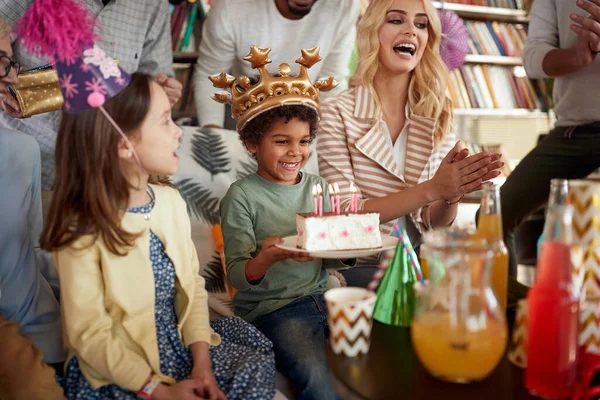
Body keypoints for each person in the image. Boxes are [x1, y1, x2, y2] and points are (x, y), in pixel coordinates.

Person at [40, 72, 276, 400]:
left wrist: (202, 366)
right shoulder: (81, 229)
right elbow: (89, 336)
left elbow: (192, 287)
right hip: (124, 371)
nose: (179, 131)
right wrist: (162, 392)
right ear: (124, 144)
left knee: (254, 363)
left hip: (180, 345)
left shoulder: (169, 202)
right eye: (166, 121)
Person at [316, 0, 502, 285]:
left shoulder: (437, 114)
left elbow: (432, 223)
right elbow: (346, 212)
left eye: (421, 24)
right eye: (396, 20)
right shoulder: (335, 113)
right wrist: (433, 188)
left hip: (420, 260)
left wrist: (452, 194)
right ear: (372, 30)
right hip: (359, 268)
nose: (411, 31)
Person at [219, 46, 353, 400]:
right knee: (313, 372)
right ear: (252, 143)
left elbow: (334, 254)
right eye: (282, 142)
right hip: (275, 310)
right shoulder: (241, 196)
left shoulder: (320, 187)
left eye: (304, 142)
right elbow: (236, 275)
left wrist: (344, 247)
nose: (297, 152)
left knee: (370, 358)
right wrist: (266, 258)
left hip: (325, 296)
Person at [0, 0, 182, 190]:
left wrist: (161, 89)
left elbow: (152, 77)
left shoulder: (152, 5)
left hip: (101, 168)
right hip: (19, 158)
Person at [498, 0, 600, 276]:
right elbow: (533, 59)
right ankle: (510, 312)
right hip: (572, 131)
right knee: (495, 216)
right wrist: (577, 57)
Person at [0, 18, 64, 399]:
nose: (9, 75)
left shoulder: (21, 150)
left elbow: (36, 251)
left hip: (36, 331)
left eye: (7, 61)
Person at [194, 0, 360, 129]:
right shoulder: (231, 7)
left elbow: (330, 84)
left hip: (307, 124)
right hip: (242, 120)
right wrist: (212, 134)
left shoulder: (343, 6)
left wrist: (316, 139)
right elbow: (212, 76)